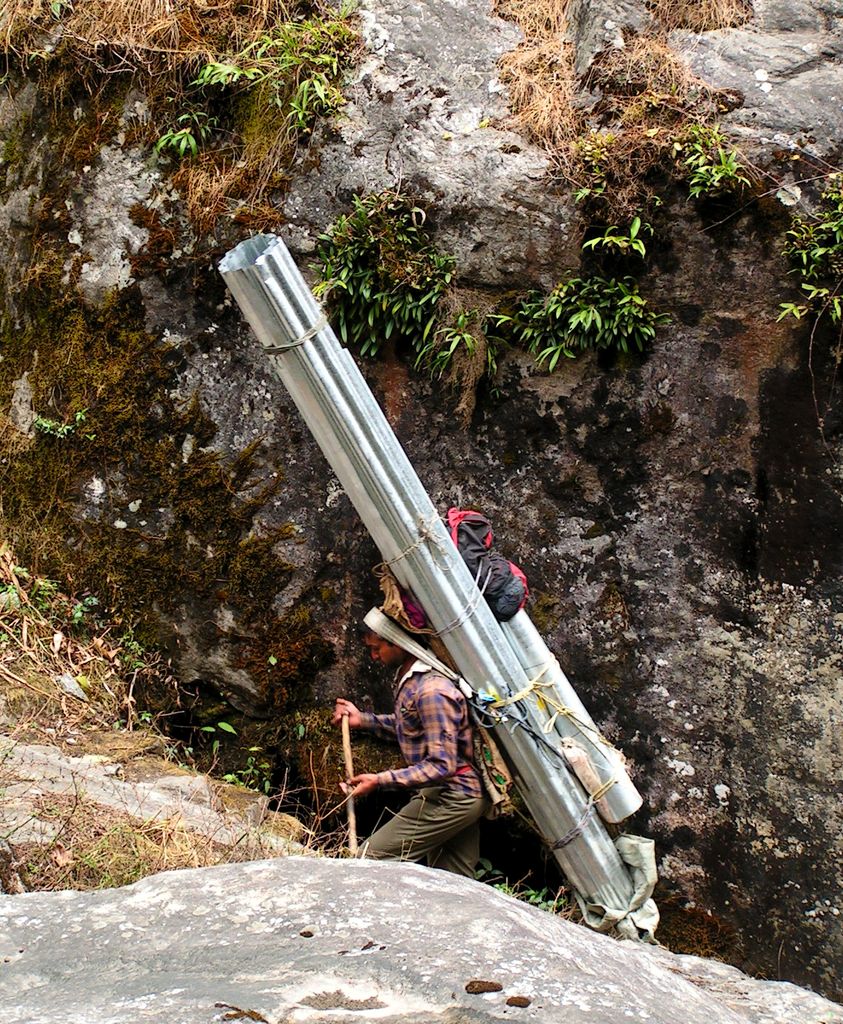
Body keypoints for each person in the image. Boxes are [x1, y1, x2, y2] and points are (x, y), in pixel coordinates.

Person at [332, 624, 489, 877]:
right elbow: (410, 725)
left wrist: (379, 781)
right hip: (455, 794)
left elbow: (442, 765)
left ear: (396, 642)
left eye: (376, 648)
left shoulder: (433, 691)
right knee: (452, 880)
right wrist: (364, 720)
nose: (373, 656)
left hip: (453, 796)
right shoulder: (412, 680)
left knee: (367, 861)